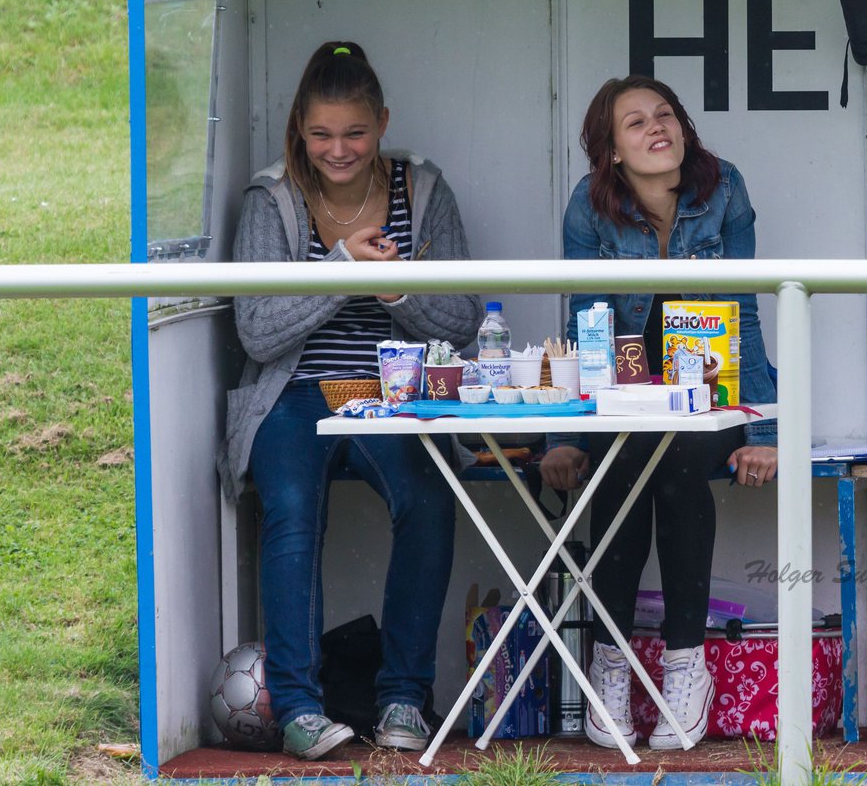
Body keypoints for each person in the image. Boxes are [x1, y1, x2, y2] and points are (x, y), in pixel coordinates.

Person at [217, 41, 482, 760]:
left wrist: (396, 291)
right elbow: (257, 333)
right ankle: (299, 709)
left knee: (429, 499)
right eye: (322, 133)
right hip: (295, 394)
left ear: (382, 122)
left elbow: (463, 321)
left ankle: (403, 699)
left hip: (389, 396)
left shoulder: (423, 192)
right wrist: (342, 271)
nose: (339, 149)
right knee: (294, 510)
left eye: (356, 132)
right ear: (299, 128)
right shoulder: (270, 198)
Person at [539, 74, 778, 750]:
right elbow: (583, 323)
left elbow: (746, 316)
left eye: (664, 114)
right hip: (624, 407)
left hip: (712, 401)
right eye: (636, 122)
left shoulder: (724, 188)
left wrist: (765, 433)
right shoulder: (590, 207)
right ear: (611, 150)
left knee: (665, 457)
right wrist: (564, 435)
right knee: (624, 459)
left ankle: (684, 664)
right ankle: (611, 664)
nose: (656, 128)